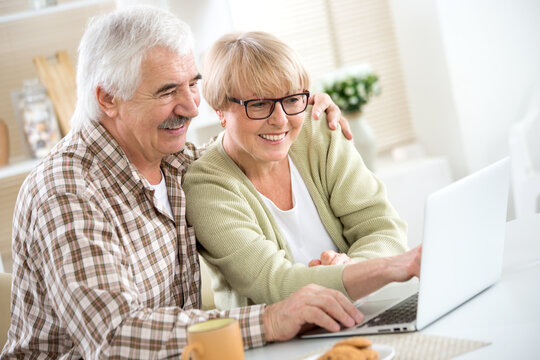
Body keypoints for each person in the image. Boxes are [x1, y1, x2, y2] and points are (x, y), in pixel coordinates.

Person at [1, 7, 362, 359]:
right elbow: (114, 336)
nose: (191, 107)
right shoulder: (67, 190)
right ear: (108, 98)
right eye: (167, 91)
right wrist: (269, 321)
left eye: (193, 84)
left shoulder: (177, 163)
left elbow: (241, 142)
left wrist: (297, 110)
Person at [183, 32, 422, 310]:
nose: (281, 120)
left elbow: (382, 227)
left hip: (361, 313)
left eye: (292, 99)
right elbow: (275, 284)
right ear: (219, 109)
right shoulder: (206, 187)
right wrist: (369, 272)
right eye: (259, 104)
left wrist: (354, 267)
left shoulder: (317, 132)